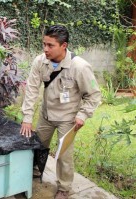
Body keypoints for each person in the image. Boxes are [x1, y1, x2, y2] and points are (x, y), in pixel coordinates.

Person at [20, 25, 101, 199]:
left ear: (64, 46)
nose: (45, 49)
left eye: (50, 45)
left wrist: (82, 115)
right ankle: (35, 172)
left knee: (64, 155)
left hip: (68, 119)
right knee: (38, 146)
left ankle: (64, 188)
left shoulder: (80, 67)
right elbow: (32, 90)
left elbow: (94, 94)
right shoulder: (40, 61)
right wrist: (27, 118)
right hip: (46, 115)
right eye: (44, 44)